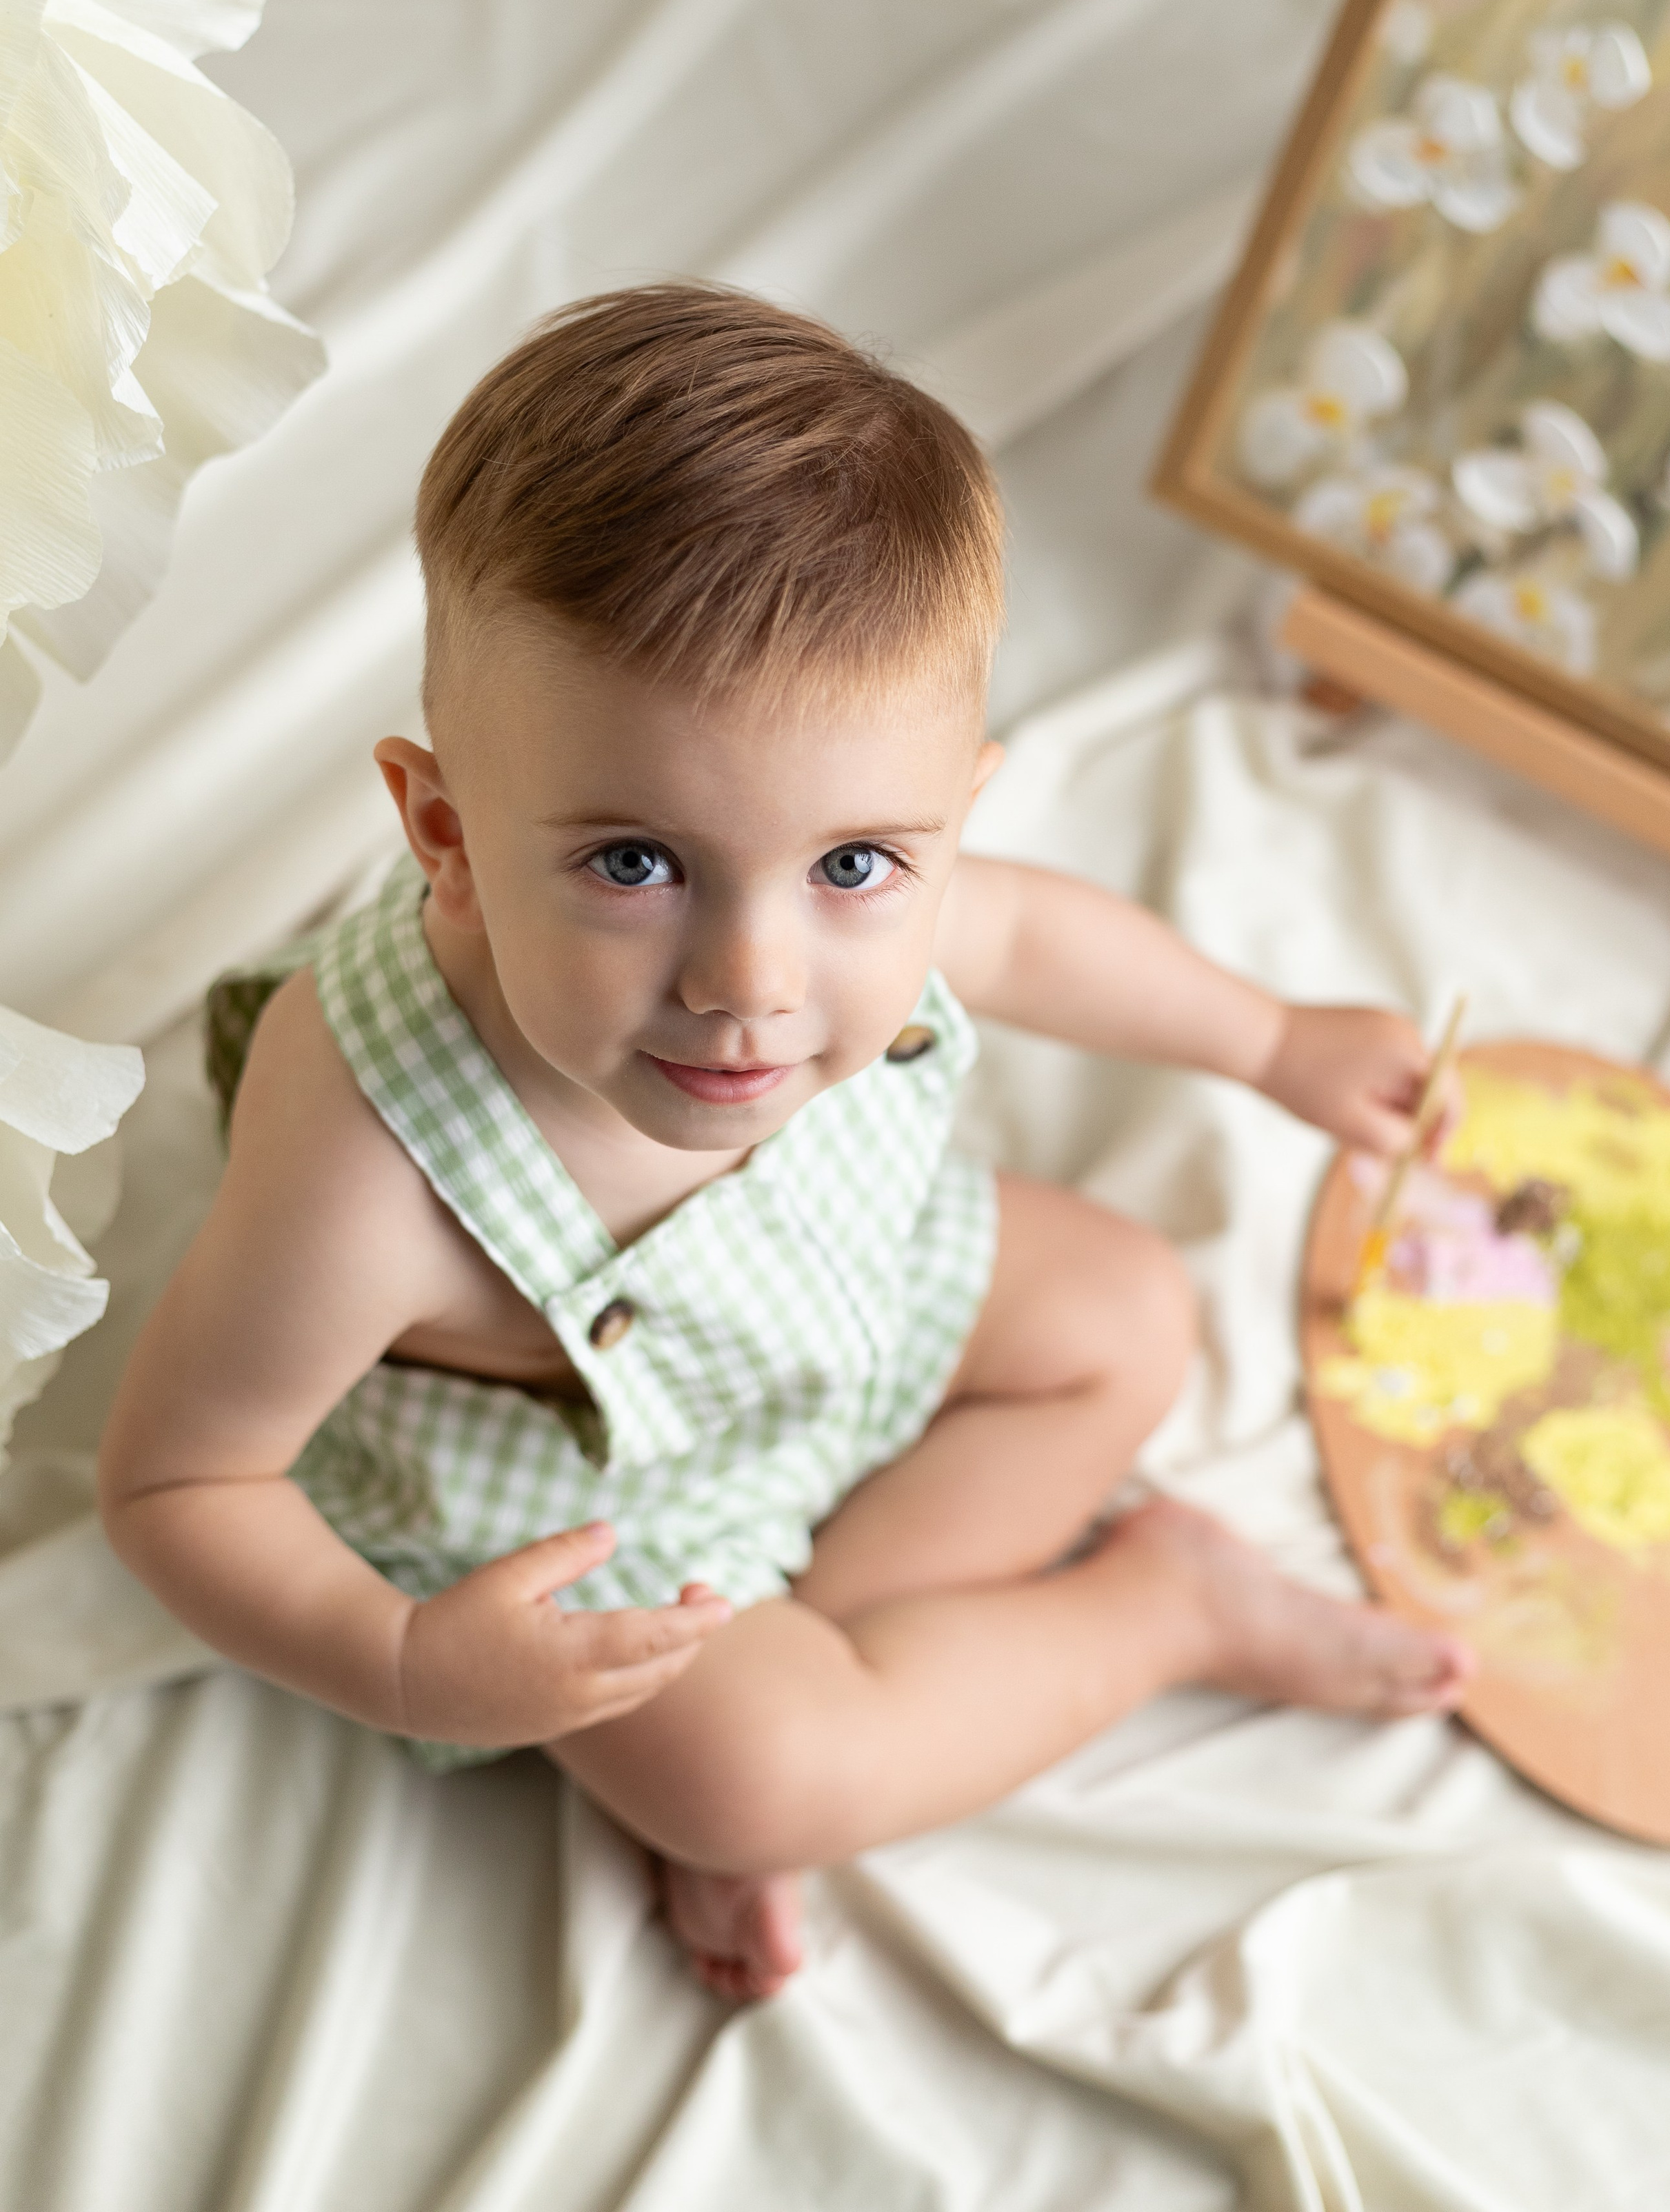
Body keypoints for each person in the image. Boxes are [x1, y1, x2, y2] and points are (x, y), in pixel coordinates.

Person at [99, 285, 1471, 2004]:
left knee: (1124, 1310)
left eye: (851, 871)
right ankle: (1163, 1612)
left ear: (948, 817)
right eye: (630, 865)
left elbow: (1035, 943)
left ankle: (841, 1611)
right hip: (609, 1510)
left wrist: (1268, 1040)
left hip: (834, 1311)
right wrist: (405, 1661)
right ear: (444, 834)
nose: (749, 986)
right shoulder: (367, 1159)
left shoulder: (881, 897)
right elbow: (175, 1481)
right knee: (765, 1780)